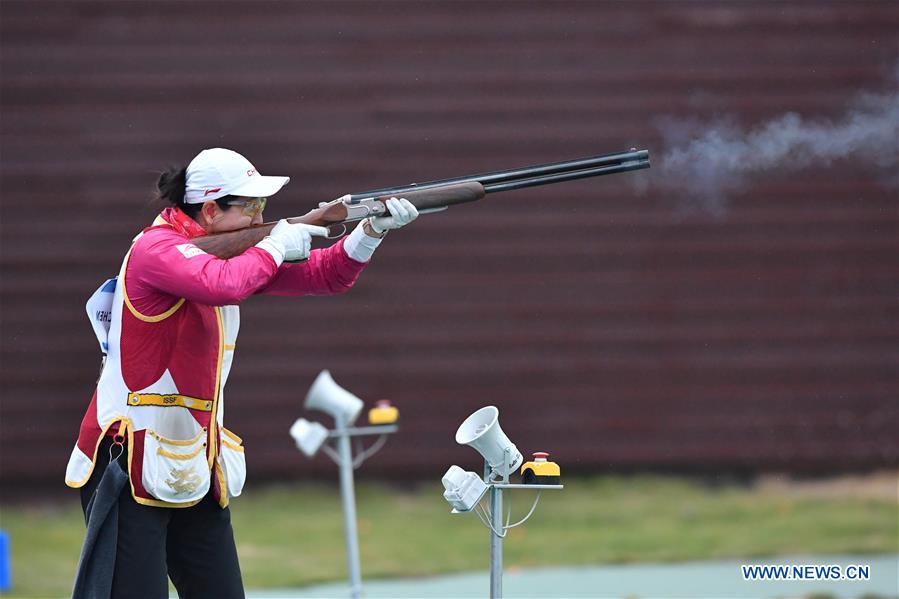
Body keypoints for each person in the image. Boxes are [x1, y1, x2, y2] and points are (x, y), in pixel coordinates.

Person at [64, 148, 418, 598]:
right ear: (210, 210)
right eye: (250, 207)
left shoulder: (238, 253)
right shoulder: (154, 249)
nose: (260, 218)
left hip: (193, 461)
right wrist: (274, 244)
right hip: (125, 459)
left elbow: (326, 275)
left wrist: (369, 233)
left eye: (262, 208)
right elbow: (221, 284)